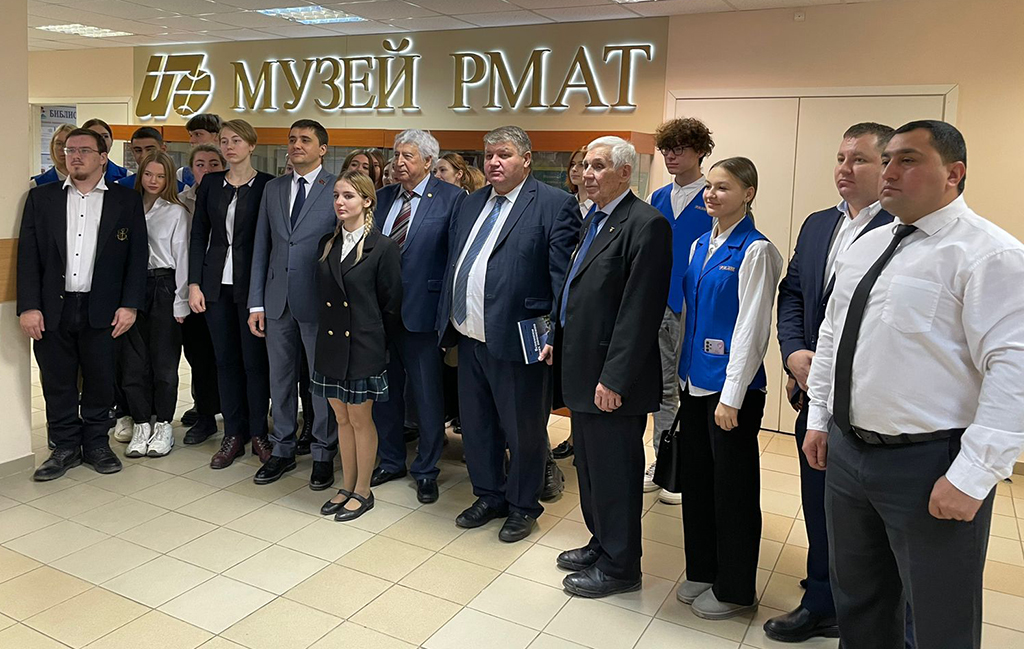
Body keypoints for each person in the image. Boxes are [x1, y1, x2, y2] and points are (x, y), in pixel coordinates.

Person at [804, 120, 1024, 649]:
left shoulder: (988, 255)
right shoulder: (867, 246)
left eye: (908, 160)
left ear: (954, 173)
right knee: (860, 604)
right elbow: (832, 334)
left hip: (929, 465)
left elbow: (1014, 372)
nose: (889, 172)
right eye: (887, 160)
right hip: (850, 456)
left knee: (939, 618)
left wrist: (974, 475)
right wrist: (819, 417)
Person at [767, 122, 896, 643]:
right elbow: (794, 292)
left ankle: (867, 612)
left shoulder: (902, 227)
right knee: (819, 506)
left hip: (873, 406)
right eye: (841, 158)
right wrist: (794, 353)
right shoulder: (819, 224)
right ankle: (821, 601)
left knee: (869, 527)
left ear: (887, 165)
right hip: (815, 398)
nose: (845, 168)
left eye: (858, 159)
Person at [438, 125, 578, 542]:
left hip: (520, 339)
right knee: (477, 425)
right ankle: (489, 495)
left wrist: (554, 333)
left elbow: (563, 280)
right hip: (469, 335)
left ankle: (522, 505)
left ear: (526, 159)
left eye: (504, 155)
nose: (494, 163)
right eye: (489, 156)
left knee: (523, 431)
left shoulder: (554, 204)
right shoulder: (470, 203)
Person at [548, 136, 671, 597]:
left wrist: (614, 378)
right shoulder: (594, 219)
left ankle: (621, 567)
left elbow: (639, 311)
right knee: (592, 469)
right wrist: (555, 338)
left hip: (611, 379)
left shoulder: (646, 224)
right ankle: (601, 542)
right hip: (581, 370)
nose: (588, 174)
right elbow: (577, 290)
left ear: (624, 172)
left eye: (598, 166)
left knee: (616, 474)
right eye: (585, 165)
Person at [676, 157, 783, 620]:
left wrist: (732, 396)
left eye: (723, 187)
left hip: (730, 395)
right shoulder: (701, 243)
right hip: (694, 382)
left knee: (733, 492)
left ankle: (735, 588)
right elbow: (689, 315)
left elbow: (752, 330)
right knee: (698, 484)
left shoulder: (756, 251)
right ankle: (703, 569)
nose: (711, 194)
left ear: (748, 194)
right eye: (710, 187)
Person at [18, 127, 147, 481]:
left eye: (84, 150)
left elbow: (137, 257)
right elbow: (28, 257)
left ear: (103, 157)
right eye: (70, 150)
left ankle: (96, 444)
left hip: (103, 307)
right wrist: (29, 306)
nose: (75, 156)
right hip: (53, 307)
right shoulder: (41, 199)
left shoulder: (125, 201)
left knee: (100, 380)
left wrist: (130, 305)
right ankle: (64, 447)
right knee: (57, 381)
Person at [371, 129, 465, 504]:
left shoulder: (452, 198)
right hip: (380, 313)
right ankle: (391, 460)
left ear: (428, 161)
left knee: (426, 397)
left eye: (407, 156)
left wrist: (448, 317)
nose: (398, 162)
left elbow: (455, 257)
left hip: (423, 314)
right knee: (385, 394)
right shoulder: (381, 198)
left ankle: (426, 469)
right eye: (396, 155)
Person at [248, 119, 339, 489]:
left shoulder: (336, 188)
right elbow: (262, 247)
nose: (296, 145)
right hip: (276, 300)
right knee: (280, 379)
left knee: (321, 381)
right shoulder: (273, 188)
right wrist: (256, 303)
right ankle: (282, 448)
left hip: (319, 301)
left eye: (305, 140)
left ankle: (323, 452)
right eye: (291, 139)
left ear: (322, 149)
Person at [316, 171, 403, 521]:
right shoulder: (328, 243)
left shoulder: (382, 247)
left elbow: (391, 304)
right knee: (341, 417)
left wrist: (377, 343)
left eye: (349, 196)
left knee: (360, 418)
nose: (340, 202)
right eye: (336, 195)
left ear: (367, 201)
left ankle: (363, 491)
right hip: (331, 343)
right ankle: (346, 484)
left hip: (364, 345)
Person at [189, 119, 274, 469]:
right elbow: (198, 234)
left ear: (251, 145)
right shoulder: (211, 183)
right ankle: (233, 434)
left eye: (236, 140)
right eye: (224, 141)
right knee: (224, 362)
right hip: (215, 286)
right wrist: (194, 283)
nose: (229, 147)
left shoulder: (268, 185)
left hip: (252, 286)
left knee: (255, 363)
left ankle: (259, 432)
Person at [645, 117, 715, 506]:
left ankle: (686, 468)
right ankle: (664, 462)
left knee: (690, 388)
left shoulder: (714, 197)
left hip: (694, 306)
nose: (671, 157)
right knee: (661, 388)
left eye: (680, 149)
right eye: (666, 150)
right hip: (657, 303)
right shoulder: (657, 198)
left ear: (700, 151)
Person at [118, 151, 190, 458]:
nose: (153, 181)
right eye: (148, 174)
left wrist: (181, 302)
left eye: (161, 176)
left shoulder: (176, 212)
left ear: (169, 178)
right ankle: (140, 423)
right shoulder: (127, 207)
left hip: (164, 286)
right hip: (131, 288)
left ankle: (163, 424)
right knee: (133, 363)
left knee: (164, 363)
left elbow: (183, 257)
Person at [177, 143, 226, 445]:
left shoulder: (231, 196)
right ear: (190, 169)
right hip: (191, 287)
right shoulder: (180, 202)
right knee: (199, 355)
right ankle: (205, 414)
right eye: (200, 164)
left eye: (213, 164)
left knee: (227, 355)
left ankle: (234, 414)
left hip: (224, 286)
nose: (206, 170)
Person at [117, 127, 185, 192]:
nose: (143, 155)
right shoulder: (121, 187)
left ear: (163, 150)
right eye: (138, 150)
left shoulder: (182, 190)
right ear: (132, 151)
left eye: (149, 150)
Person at [178, 113, 222, 187]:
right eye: (191, 135)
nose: (191, 140)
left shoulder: (234, 171)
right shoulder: (182, 174)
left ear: (217, 136)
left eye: (198, 134)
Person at [82, 118, 129, 185]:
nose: (101, 141)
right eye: (93, 136)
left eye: (105, 136)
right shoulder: (72, 174)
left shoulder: (126, 176)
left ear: (112, 141)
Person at [30, 123, 75, 187]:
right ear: (52, 146)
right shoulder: (36, 184)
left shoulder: (88, 182)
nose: (63, 148)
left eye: (68, 144)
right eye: (59, 143)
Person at [565, 146, 593, 220]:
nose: (574, 169)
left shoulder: (599, 205)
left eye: (581, 165)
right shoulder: (566, 202)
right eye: (572, 164)